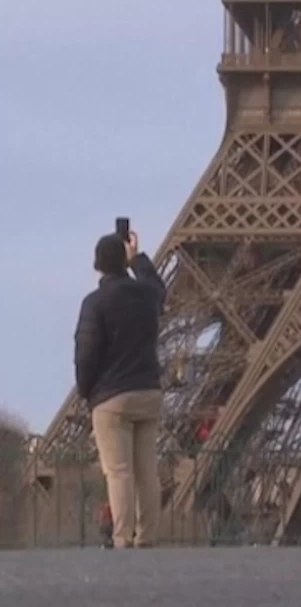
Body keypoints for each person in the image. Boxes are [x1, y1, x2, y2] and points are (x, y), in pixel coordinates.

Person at [75, 228, 166, 549]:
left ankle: (122, 538)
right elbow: (159, 287)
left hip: (111, 396)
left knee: (119, 472)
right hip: (148, 391)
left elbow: (86, 353)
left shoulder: (95, 303)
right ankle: (148, 536)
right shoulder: (146, 295)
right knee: (147, 471)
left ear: (97, 266)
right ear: (123, 262)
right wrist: (138, 258)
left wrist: (87, 392)